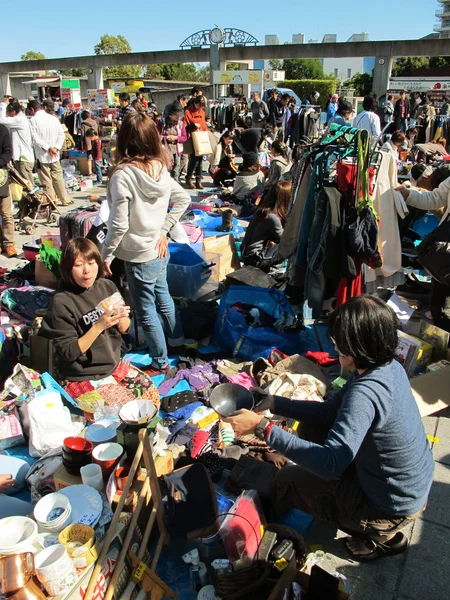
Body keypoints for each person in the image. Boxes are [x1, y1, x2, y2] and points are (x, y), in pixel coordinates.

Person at [225, 295, 434, 562]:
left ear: (356, 347)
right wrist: (276, 402)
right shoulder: (387, 366)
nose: (335, 349)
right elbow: (327, 411)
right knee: (312, 428)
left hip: (391, 507)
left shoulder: (365, 393)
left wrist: (263, 428)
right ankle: (351, 501)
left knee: (288, 480)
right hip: (406, 485)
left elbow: (330, 464)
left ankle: (382, 538)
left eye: (339, 345)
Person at [102, 112, 190, 375]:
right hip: (159, 250)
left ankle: (160, 361)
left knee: (146, 310)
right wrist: (163, 230)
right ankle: (177, 343)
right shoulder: (159, 168)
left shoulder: (123, 175)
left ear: (124, 140)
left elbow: (118, 225)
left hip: (141, 254)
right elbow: (184, 199)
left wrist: (105, 256)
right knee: (163, 299)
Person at [39, 237, 131, 382]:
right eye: (78, 265)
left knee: (151, 398)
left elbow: (124, 328)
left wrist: (121, 318)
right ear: (68, 269)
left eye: (91, 263)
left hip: (112, 364)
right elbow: (68, 352)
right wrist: (99, 326)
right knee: (116, 405)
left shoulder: (107, 286)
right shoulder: (62, 302)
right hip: (82, 374)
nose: (86, 270)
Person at [396, 170, 450, 332]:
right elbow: (435, 198)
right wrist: (408, 194)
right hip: (445, 253)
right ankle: (443, 349)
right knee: (440, 307)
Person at [28, 99, 72, 207]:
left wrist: (48, 148)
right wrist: (56, 148)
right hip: (54, 155)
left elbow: (35, 138)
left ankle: (52, 201)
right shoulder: (54, 118)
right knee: (58, 177)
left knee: (46, 179)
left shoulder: (33, 121)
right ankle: (65, 199)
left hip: (43, 155)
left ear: (32, 109)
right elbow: (62, 135)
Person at [241, 180, 290, 271]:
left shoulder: (262, 211)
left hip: (248, 256)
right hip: (256, 258)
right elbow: (283, 239)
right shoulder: (272, 217)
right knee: (290, 244)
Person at [0, 99, 35, 185]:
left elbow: (1, 120)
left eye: (7, 113)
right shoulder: (20, 119)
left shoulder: (19, 119)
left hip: (23, 158)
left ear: (12, 111)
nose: (7, 115)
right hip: (22, 158)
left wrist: (3, 104)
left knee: (27, 185)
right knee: (23, 185)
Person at [0, 123, 17, 257]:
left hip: (1, 177)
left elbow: (8, 153)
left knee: (6, 213)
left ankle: (9, 243)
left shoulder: (2, 129)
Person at [157, 108, 187, 183]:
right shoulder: (162, 122)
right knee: (166, 169)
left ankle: (175, 182)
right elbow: (156, 135)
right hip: (165, 149)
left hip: (176, 149)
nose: (177, 117)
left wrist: (176, 138)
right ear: (170, 115)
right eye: (175, 115)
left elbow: (184, 137)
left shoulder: (180, 123)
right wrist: (166, 137)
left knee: (176, 168)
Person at [184, 95, 207, 190]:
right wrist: (193, 125)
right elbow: (184, 127)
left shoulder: (202, 112)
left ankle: (198, 180)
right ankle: (188, 178)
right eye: (199, 105)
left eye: (202, 106)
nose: (200, 108)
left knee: (201, 159)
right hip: (192, 137)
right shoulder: (187, 112)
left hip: (201, 137)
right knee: (194, 160)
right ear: (194, 103)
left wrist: (206, 133)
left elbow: (204, 124)